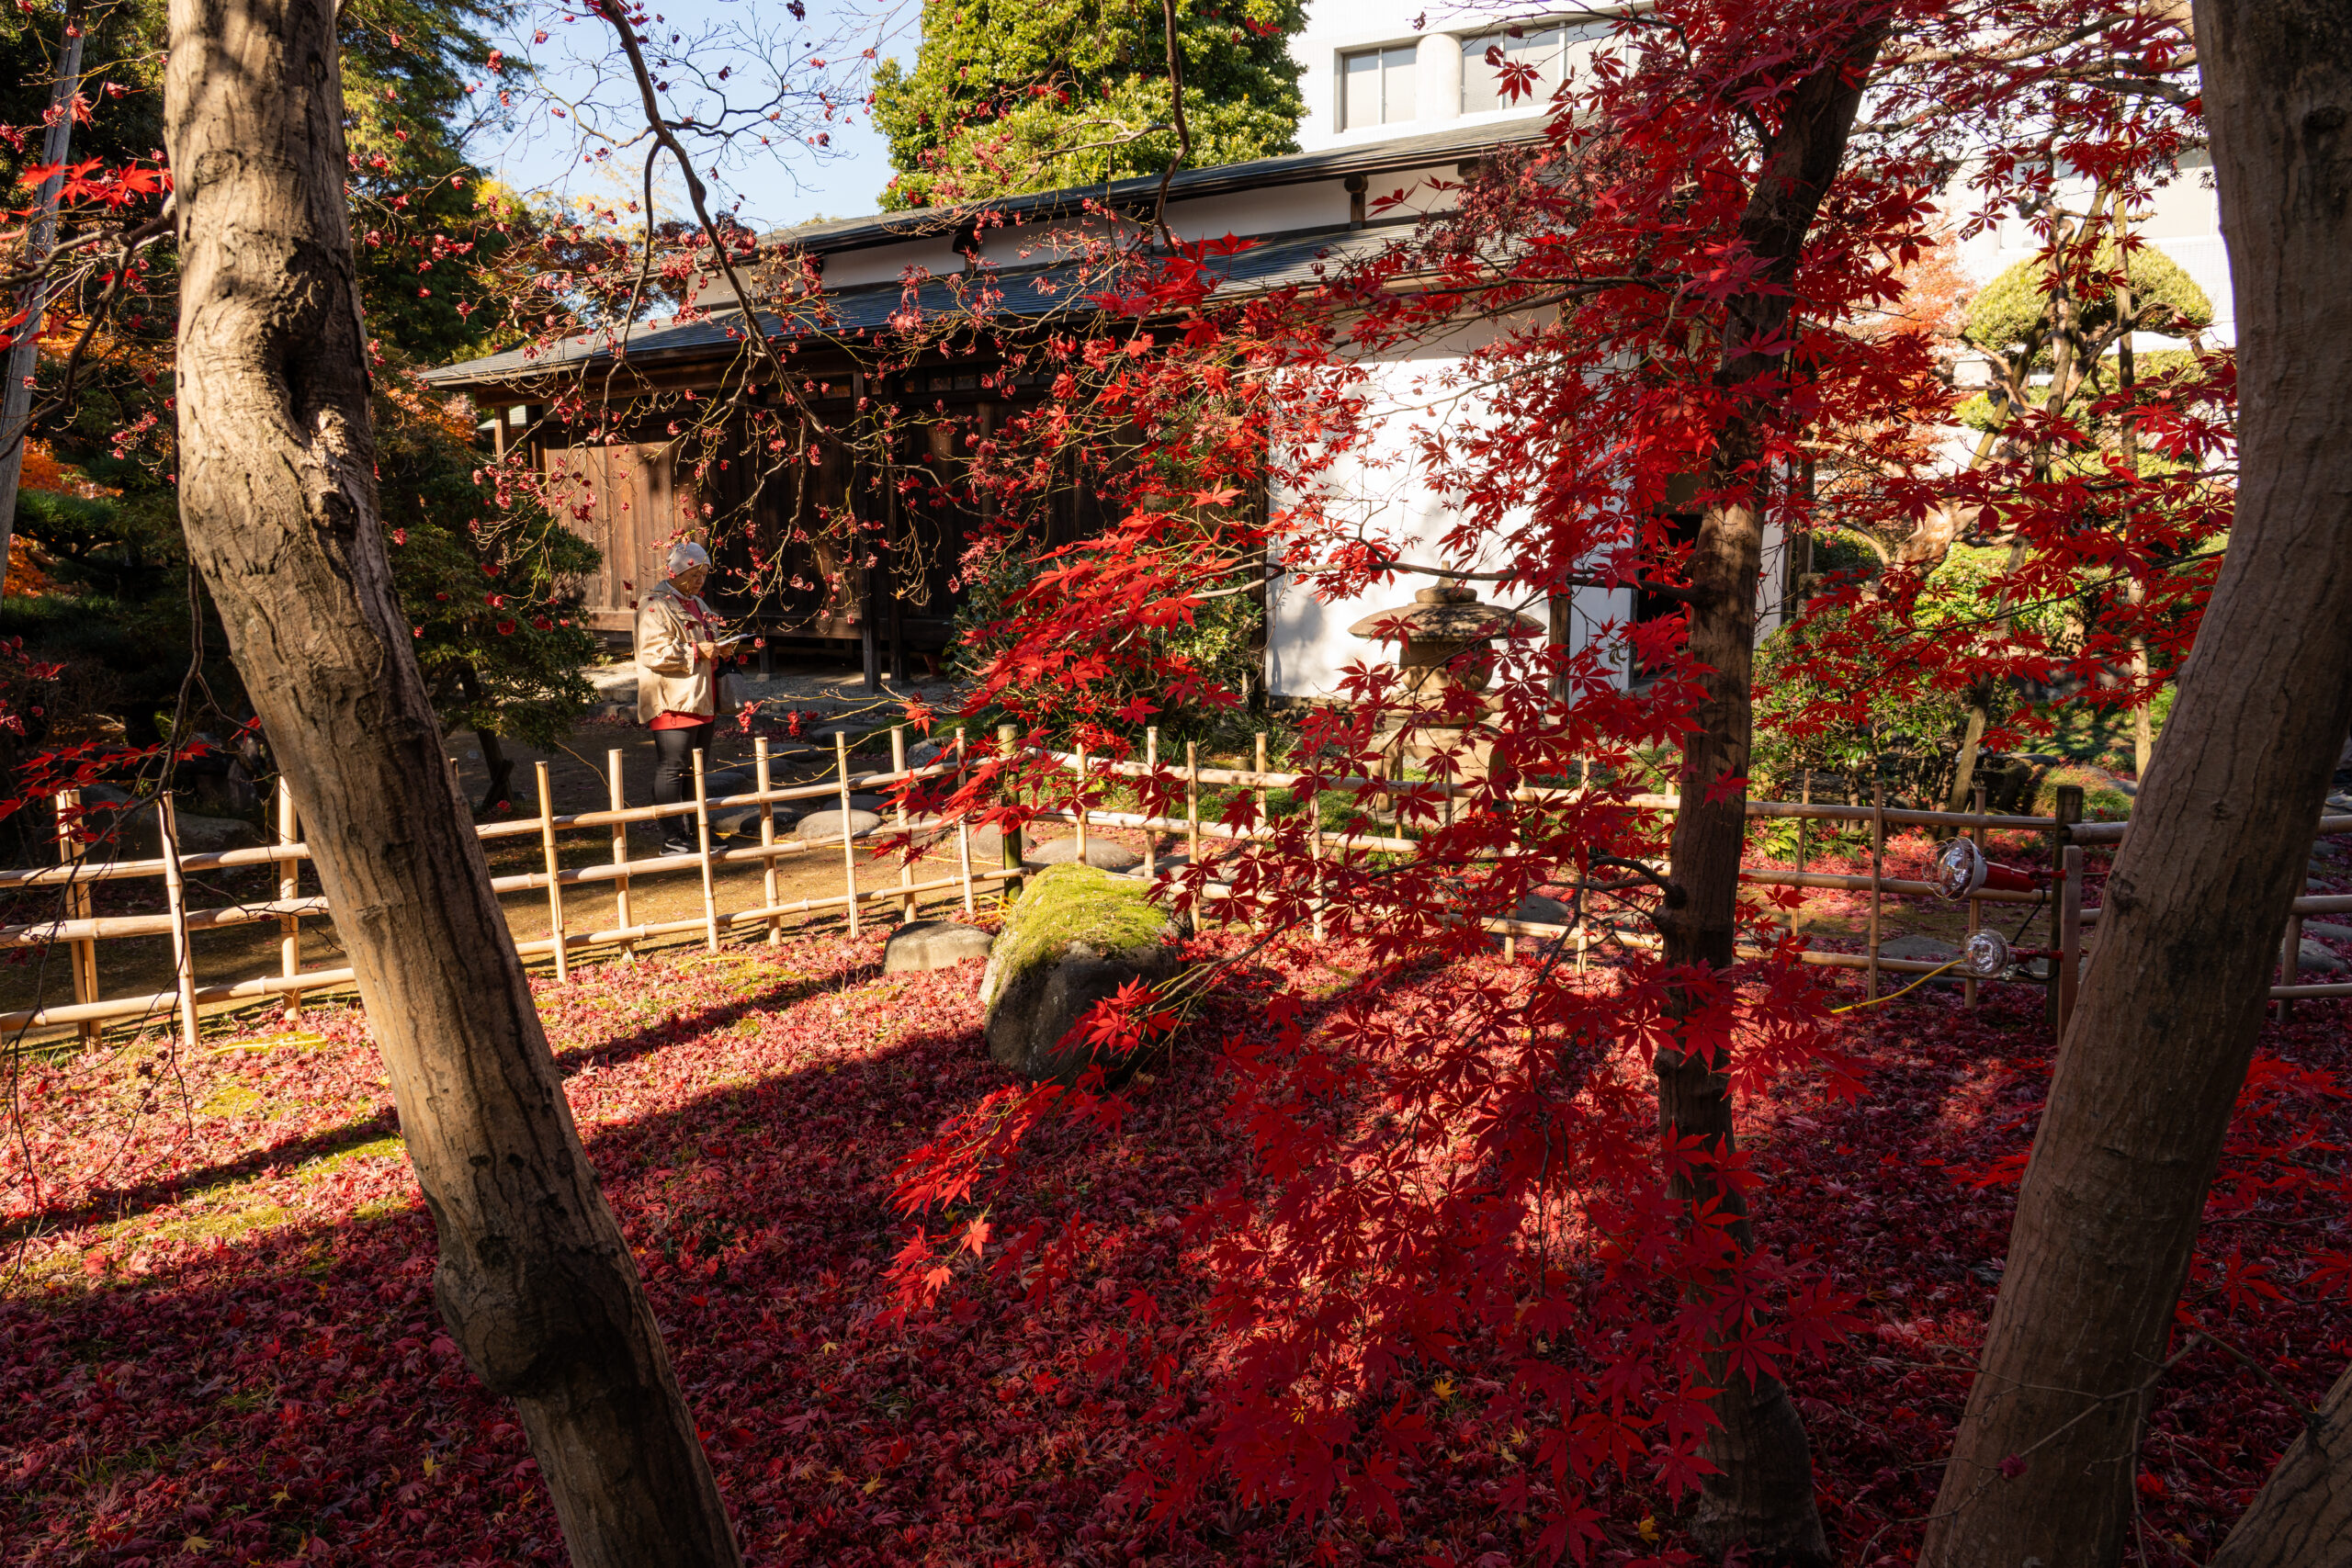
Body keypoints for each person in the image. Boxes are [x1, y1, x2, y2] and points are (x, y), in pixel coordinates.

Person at [635, 540, 738, 854]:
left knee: (697, 769)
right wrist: (696, 650)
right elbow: (652, 652)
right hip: (673, 699)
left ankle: (698, 830)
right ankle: (672, 838)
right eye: (694, 574)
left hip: (702, 696)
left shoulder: (698, 604)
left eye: (703, 575)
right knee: (673, 767)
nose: (699, 581)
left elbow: (707, 642)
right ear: (676, 572)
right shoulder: (655, 604)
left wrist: (721, 648)